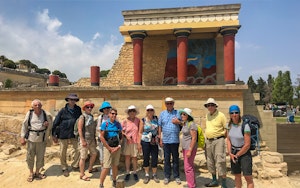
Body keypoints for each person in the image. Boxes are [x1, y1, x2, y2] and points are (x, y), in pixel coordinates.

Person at [52, 93, 82, 177]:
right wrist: (54, 134)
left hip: (74, 133)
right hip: (63, 132)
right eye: (71, 99)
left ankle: (75, 165)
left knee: (78, 149)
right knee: (62, 151)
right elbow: (56, 122)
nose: (73, 101)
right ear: (68, 100)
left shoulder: (78, 109)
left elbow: (80, 120)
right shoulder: (62, 111)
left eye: (74, 100)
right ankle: (64, 167)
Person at [20, 99, 49, 182]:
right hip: (31, 139)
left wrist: (46, 125)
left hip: (41, 139)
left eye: (39, 105)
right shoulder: (29, 114)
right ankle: (31, 173)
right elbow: (24, 125)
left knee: (40, 156)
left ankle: (37, 172)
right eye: (36, 105)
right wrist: (22, 137)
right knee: (30, 156)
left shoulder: (45, 114)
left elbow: (49, 124)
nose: (38, 106)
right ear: (32, 106)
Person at [227, 105, 254, 188]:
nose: (234, 115)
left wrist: (237, 155)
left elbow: (247, 145)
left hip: (244, 153)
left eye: (236, 112)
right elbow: (228, 140)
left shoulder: (245, 126)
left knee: (248, 177)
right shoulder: (229, 126)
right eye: (232, 113)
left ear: (239, 113)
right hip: (234, 153)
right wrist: (230, 153)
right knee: (237, 175)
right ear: (230, 114)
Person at [204, 98, 227, 188]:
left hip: (219, 140)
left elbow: (226, 129)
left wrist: (223, 139)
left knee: (220, 161)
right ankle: (214, 180)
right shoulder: (207, 115)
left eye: (212, 105)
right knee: (210, 161)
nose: (210, 107)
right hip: (208, 140)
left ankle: (224, 184)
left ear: (215, 106)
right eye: (208, 105)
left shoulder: (221, 115)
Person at [158, 97, 182, 185]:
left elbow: (183, 123)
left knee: (175, 159)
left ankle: (176, 176)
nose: (169, 105)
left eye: (170, 103)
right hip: (166, 140)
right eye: (167, 103)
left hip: (175, 140)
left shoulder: (178, 113)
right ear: (165, 104)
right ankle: (167, 176)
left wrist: (178, 122)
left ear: (173, 104)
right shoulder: (162, 114)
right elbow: (160, 126)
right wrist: (160, 138)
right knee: (166, 159)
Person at [99, 108, 123, 188]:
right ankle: (101, 184)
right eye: (112, 113)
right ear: (109, 114)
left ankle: (114, 180)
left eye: (115, 114)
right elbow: (101, 137)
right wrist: (109, 148)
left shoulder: (118, 124)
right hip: (107, 147)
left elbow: (121, 137)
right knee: (106, 167)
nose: (114, 115)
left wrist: (118, 146)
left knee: (115, 165)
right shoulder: (105, 124)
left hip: (116, 147)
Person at [138, 104, 160, 184]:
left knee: (154, 157)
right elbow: (140, 132)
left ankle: (154, 174)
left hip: (154, 140)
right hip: (145, 141)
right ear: (146, 111)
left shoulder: (157, 119)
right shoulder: (143, 120)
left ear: (153, 111)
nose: (150, 111)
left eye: (151, 110)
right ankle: (147, 174)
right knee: (146, 157)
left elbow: (159, 130)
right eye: (148, 110)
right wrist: (139, 143)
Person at [78, 101, 98, 181]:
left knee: (94, 153)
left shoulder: (91, 116)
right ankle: (82, 174)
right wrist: (82, 140)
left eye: (91, 107)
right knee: (83, 157)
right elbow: (79, 129)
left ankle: (90, 168)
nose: (89, 108)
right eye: (87, 107)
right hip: (85, 139)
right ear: (84, 108)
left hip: (91, 139)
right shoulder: (82, 117)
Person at [179, 108, 198, 188]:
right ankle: (191, 183)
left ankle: (191, 186)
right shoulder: (186, 123)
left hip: (189, 148)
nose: (182, 115)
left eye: (184, 114)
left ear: (188, 116)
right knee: (189, 166)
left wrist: (190, 150)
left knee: (188, 168)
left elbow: (194, 138)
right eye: (182, 114)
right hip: (185, 148)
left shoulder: (192, 124)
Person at [122, 105, 140, 182]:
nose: (132, 112)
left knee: (134, 157)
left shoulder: (138, 120)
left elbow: (140, 131)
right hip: (127, 142)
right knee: (127, 157)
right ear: (128, 112)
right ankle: (127, 172)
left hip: (135, 141)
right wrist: (126, 136)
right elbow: (122, 131)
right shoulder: (125, 121)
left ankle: (135, 172)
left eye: (133, 111)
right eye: (130, 111)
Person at [97, 101, 112, 167]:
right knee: (102, 153)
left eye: (108, 108)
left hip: (110, 138)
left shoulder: (112, 116)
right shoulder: (100, 117)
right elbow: (98, 127)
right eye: (105, 108)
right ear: (103, 109)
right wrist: (104, 129)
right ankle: (103, 168)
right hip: (102, 137)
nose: (106, 110)